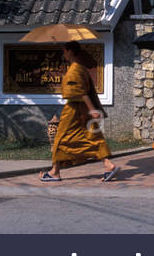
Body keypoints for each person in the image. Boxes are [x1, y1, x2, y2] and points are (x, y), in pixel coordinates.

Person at [41, 41, 120, 182]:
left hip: (74, 111)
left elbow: (81, 93)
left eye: (65, 50)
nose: (63, 53)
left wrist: (92, 110)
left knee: (60, 140)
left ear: (70, 51)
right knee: (92, 138)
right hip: (82, 110)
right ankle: (109, 165)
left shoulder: (75, 70)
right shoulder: (80, 68)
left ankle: (55, 172)